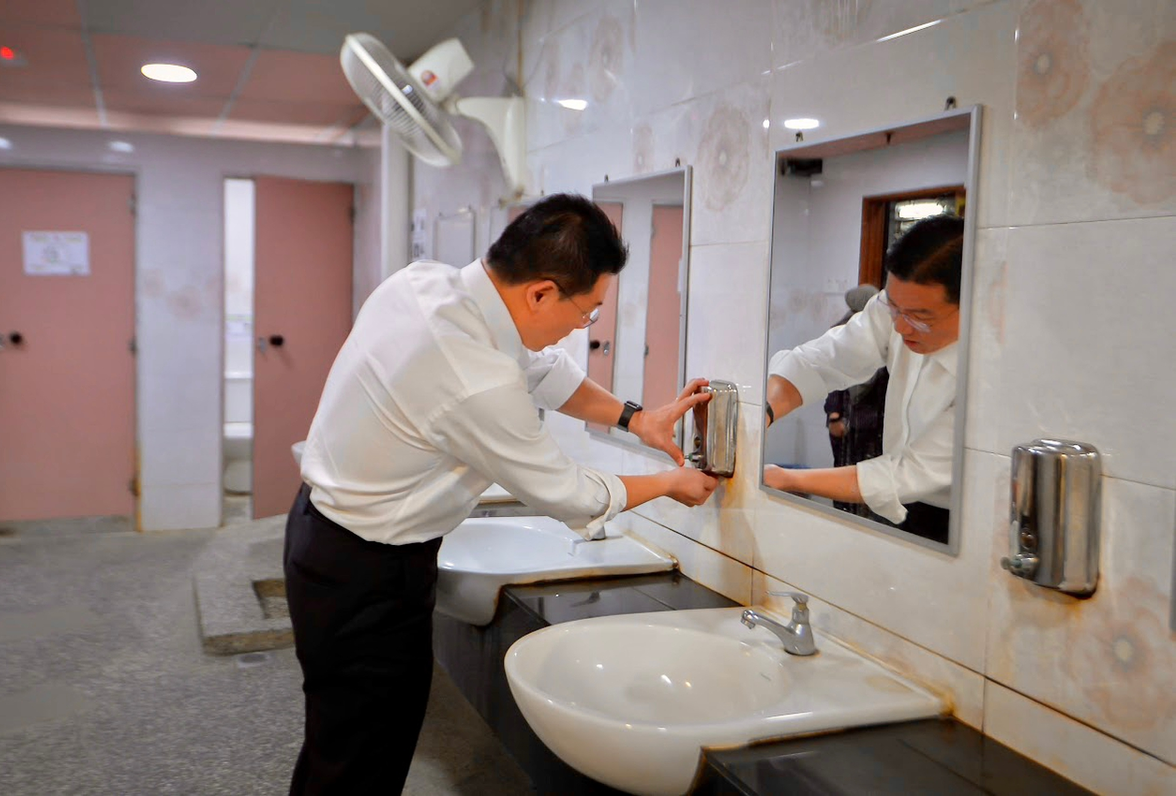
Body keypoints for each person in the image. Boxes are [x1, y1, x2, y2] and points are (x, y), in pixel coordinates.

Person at [283, 193, 720, 795]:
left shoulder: (427, 285)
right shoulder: (472, 377)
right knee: (358, 758)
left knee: (348, 740)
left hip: (327, 537)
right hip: (365, 570)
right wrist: (671, 483)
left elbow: (539, 370)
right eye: (587, 312)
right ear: (541, 292)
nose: (580, 328)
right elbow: (567, 494)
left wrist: (636, 419)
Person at [763, 215, 963, 542]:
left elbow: (906, 473)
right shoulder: (896, 309)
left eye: (920, 318)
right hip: (900, 510)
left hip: (961, 523)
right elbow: (824, 360)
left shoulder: (993, 373)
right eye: (894, 308)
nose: (900, 327)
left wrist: (787, 480)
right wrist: (763, 413)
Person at [822, 284, 887, 517]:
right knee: (848, 473)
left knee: (859, 475)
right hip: (853, 419)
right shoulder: (843, 332)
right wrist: (835, 414)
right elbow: (833, 381)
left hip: (867, 420)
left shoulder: (881, 334)